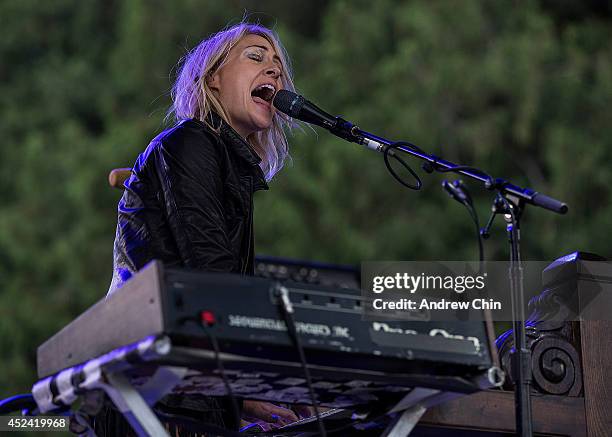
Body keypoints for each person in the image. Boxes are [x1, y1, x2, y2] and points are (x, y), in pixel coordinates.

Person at [97, 22, 307, 435]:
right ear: (212, 77)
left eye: (279, 65)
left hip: (185, 390)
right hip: (156, 392)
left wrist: (244, 395)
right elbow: (215, 277)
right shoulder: (191, 142)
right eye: (255, 57)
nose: (274, 71)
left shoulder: (228, 169)